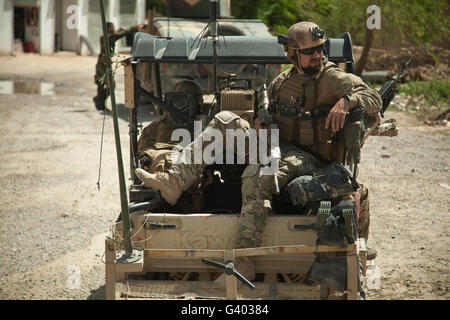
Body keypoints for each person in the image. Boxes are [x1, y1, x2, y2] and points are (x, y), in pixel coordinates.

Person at [135, 22, 381, 258]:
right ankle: (175, 181)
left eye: (320, 49)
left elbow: (373, 98)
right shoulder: (282, 82)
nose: (317, 55)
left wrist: (347, 102)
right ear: (292, 54)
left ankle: (243, 258)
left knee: (261, 171)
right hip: (276, 146)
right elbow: (264, 113)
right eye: (309, 52)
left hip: (310, 159)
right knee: (224, 119)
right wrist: (258, 123)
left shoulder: (332, 78)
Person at [93, 22, 142, 111]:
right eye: (112, 27)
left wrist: (120, 29)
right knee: (111, 85)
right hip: (104, 65)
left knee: (102, 84)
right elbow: (120, 35)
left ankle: (100, 102)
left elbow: (117, 33)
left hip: (101, 63)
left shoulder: (104, 36)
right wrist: (133, 27)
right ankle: (99, 100)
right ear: (108, 29)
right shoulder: (110, 37)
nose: (114, 29)